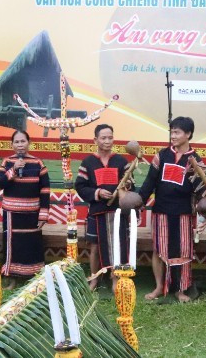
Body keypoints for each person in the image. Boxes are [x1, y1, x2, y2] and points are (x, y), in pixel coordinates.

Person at [138, 116, 205, 303]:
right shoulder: (162, 155)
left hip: (184, 212)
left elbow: (201, 189)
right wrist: (139, 201)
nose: (173, 136)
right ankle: (159, 287)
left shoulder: (195, 160)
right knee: (159, 250)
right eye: (172, 132)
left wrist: (205, 214)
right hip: (161, 211)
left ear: (188, 134)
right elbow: (149, 182)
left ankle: (181, 289)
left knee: (183, 250)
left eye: (177, 132)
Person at [75, 124, 133, 291]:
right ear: (95, 140)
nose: (108, 141)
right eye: (103, 138)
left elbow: (131, 184)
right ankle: (95, 278)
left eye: (110, 138)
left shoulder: (121, 161)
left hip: (117, 211)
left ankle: (115, 277)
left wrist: (126, 186)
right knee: (94, 245)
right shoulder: (88, 162)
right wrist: (98, 192)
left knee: (118, 244)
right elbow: (80, 186)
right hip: (97, 210)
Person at [0, 130, 50, 290]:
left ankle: (34, 279)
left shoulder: (38, 163)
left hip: (32, 213)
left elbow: (45, 190)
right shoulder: (7, 162)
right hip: (11, 213)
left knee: (32, 245)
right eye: (16, 142)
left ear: (29, 143)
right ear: (12, 145)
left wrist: (43, 214)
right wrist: (12, 171)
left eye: (23, 141)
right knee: (13, 245)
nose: (20, 145)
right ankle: (12, 279)